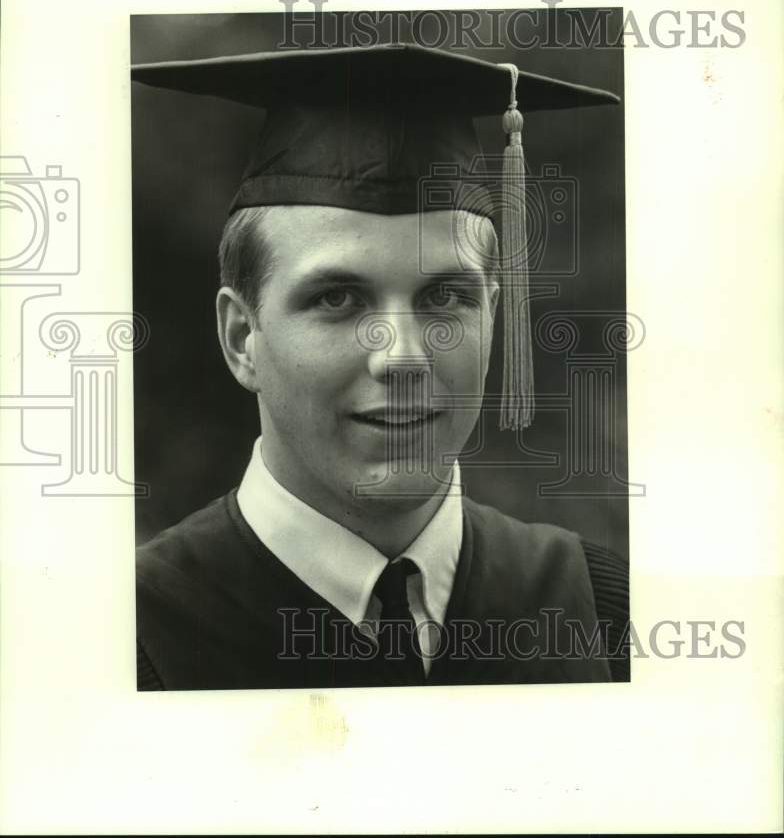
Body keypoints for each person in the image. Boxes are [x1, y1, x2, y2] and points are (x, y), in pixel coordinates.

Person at [133, 42, 629, 690]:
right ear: (241, 337)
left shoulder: (599, 609)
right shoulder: (126, 638)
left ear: (494, 316)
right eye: (337, 299)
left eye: (445, 297)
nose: (402, 355)